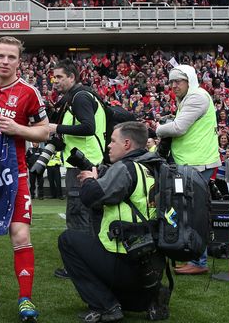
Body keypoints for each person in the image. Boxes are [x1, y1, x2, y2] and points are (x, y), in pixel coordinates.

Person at [0, 36, 49, 321]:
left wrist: (18, 128)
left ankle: (25, 298)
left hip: (15, 173)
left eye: (11, 57)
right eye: (0, 56)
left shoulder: (29, 92)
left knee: (20, 234)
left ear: (19, 61)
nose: (5, 61)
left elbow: (43, 132)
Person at [58, 122, 169, 323]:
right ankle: (149, 296)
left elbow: (91, 197)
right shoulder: (155, 166)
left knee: (68, 240)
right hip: (150, 265)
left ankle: (106, 305)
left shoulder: (125, 168)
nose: (109, 146)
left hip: (126, 262)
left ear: (127, 144)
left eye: (112, 141)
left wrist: (91, 180)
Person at [155, 64, 220, 275]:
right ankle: (191, 256)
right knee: (188, 212)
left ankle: (199, 262)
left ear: (189, 80)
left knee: (193, 214)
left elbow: (178, 128)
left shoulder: (197, 97)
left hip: (197, 163)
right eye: (171, 82)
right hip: (191, 163)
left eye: (178, 81)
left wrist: (156, 128)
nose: (174, 86)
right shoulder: (189, 97)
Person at [49, 59, 106, 279]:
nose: (55, 82)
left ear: (72, 77)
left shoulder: (80, 97)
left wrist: (57, 127)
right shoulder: (82, 95)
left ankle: (78, 265)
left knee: (78, 214)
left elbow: (88, 127)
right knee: (89, 216)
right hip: (88, 162)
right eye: (54, 77)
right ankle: (93, 261)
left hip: (83, 164)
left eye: (60, 77)